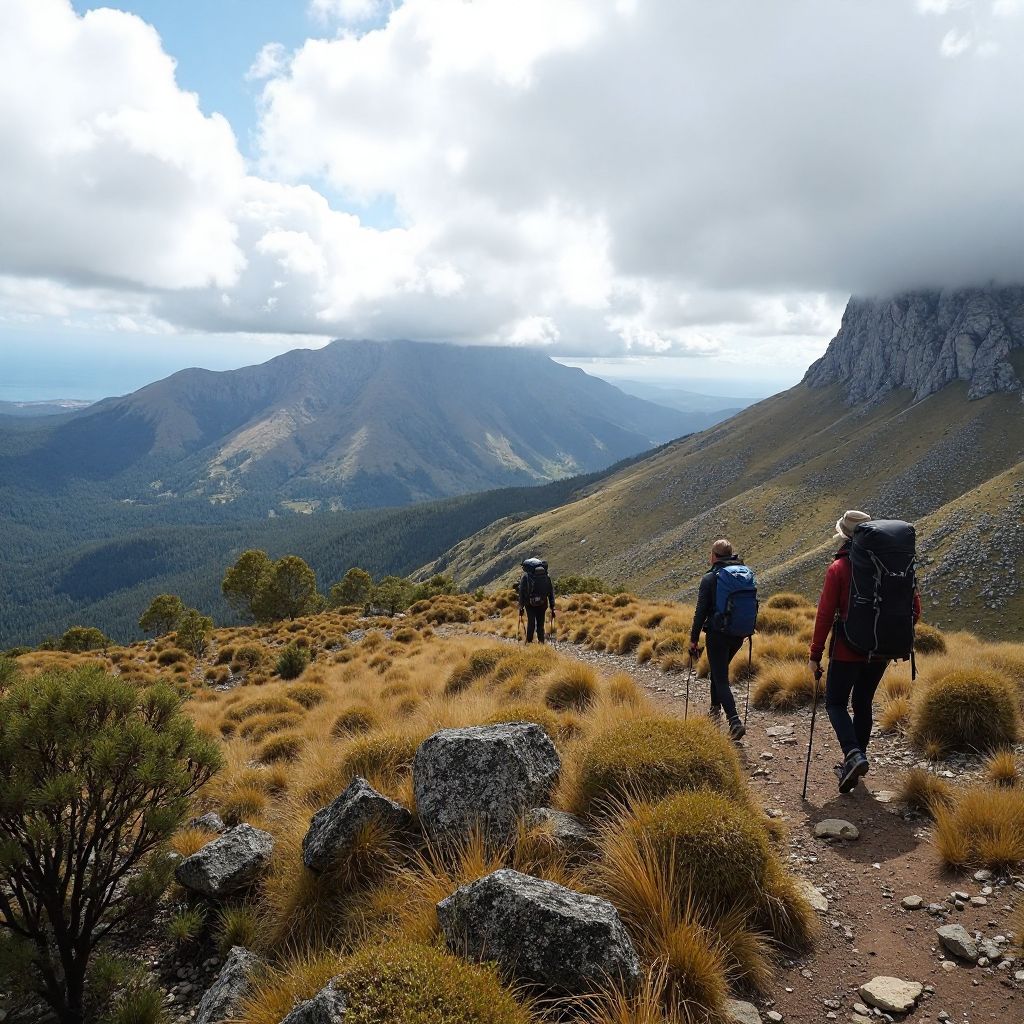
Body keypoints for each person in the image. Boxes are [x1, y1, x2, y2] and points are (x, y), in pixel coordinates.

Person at [809, 510, 921, 793]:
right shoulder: (895, 565)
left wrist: (815, 654)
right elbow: (915, 610)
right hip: (882, 649)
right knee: (863, 703)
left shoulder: (838, 568)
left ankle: (853, 754)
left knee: (835, 703)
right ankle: (855, 762)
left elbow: (824, 615)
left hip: (847, 649)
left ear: (844, 535)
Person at [689, 538, 747, 741]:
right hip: (738, 634)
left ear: (714, 556)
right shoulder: (742, 574)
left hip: (717, 635)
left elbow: (700, 612)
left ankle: (734, 721)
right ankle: (715, 708)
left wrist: (693, 639)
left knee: (720, 677)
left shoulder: (710, 578)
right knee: (718, 670)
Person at [518, 557, 556, 644]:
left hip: (529, 604)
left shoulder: (526, 577)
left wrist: (521, 606)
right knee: (540, 623)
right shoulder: (546, 577)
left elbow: (521, 592)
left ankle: (529, 642)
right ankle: (541, 642)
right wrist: (552, 606)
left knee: (531, 623)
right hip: (543, 603)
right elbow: (550, 591)